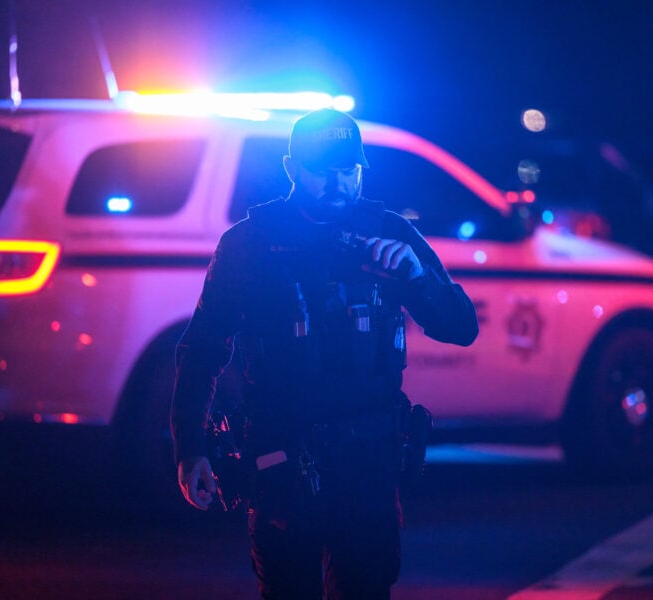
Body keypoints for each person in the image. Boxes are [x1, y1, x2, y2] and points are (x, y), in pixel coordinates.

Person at [171, 108, 479, 599]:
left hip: (371, 463)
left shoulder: (391, 233)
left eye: (348, 169)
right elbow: (203, 348)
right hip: (282, 462)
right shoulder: (250, 244)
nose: (338, 181)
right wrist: (190, 449)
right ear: (292, 168)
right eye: (323, 169)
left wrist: (417, 278)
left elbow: (462, 328)